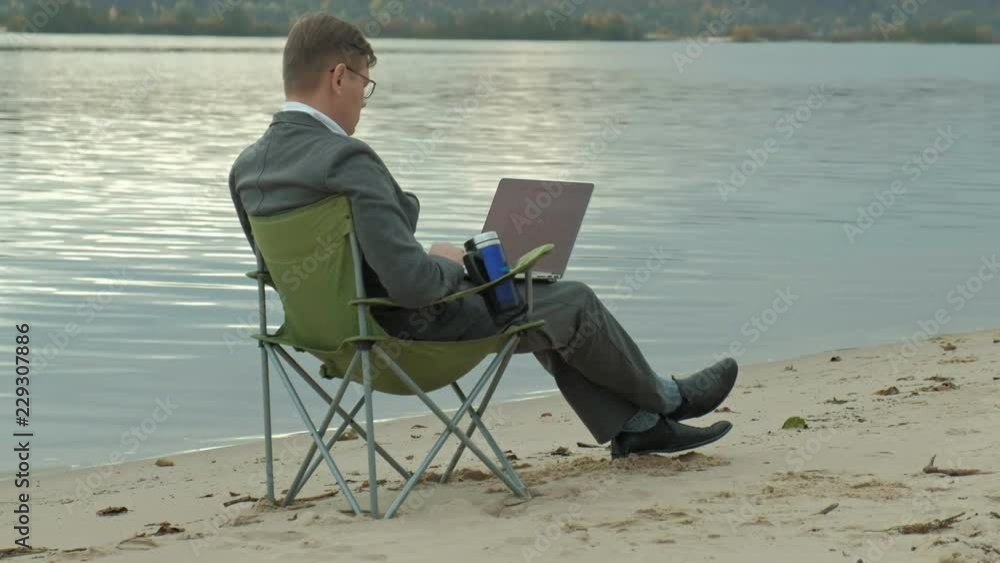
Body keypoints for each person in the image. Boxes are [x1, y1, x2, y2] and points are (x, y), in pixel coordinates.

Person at [228, 13, 739, 458]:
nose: (365, 98)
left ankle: (637, 427)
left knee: (526, 299)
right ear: (338, 76)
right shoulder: (346, 160)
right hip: (403, 341)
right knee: (568, 302)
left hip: (330, 343)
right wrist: (447, 262)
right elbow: (414, 287)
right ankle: (668, 399)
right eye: (365, 83)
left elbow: (285, 277)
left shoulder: (247, 171)